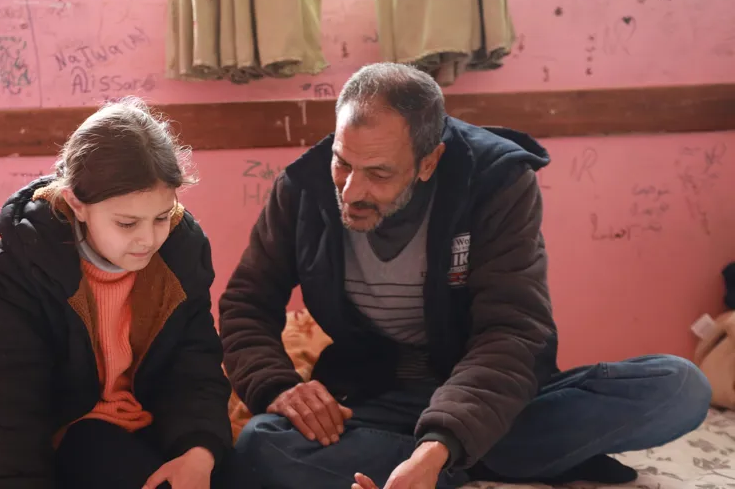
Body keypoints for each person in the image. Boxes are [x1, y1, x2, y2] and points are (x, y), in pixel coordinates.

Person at [219, 63, 713, 489]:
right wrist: (278, 385)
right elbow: (245, 303)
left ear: (430, 161)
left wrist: (440, 445)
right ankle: (511, 458)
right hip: (377, 396)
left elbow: (511, 330)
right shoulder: (302, 190)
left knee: (678, 387)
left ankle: (440, 461)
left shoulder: (498, 181)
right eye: (342, 163)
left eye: (379, 173)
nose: (351, 191)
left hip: (487, 395)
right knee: (262, 444)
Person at [0, 97, 250, 489]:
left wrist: (198, 453)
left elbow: (194, 369)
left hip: (148, 425)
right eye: (127, 224)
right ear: (77, 203)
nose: (148, 238)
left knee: (236, 472)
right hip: (56, 440)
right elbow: (8, 412)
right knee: (101, 451)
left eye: (162, 217)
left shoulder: (181, 250)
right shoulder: (20, 266)